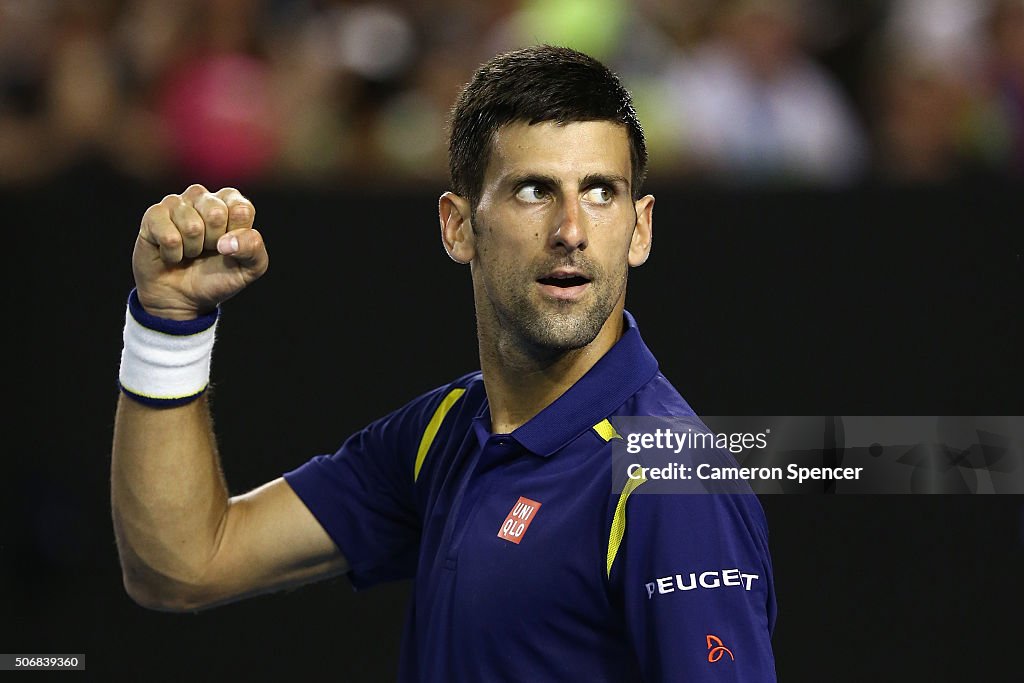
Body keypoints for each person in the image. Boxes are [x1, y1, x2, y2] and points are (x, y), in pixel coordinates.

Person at [112, 45, 777, 681]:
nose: (572, 228)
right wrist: (168, 324)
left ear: (640, 228)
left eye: (602, 191)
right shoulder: (442, 435)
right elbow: (182, 565)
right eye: (534, 191)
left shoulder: (672, 480)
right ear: (458, 226)